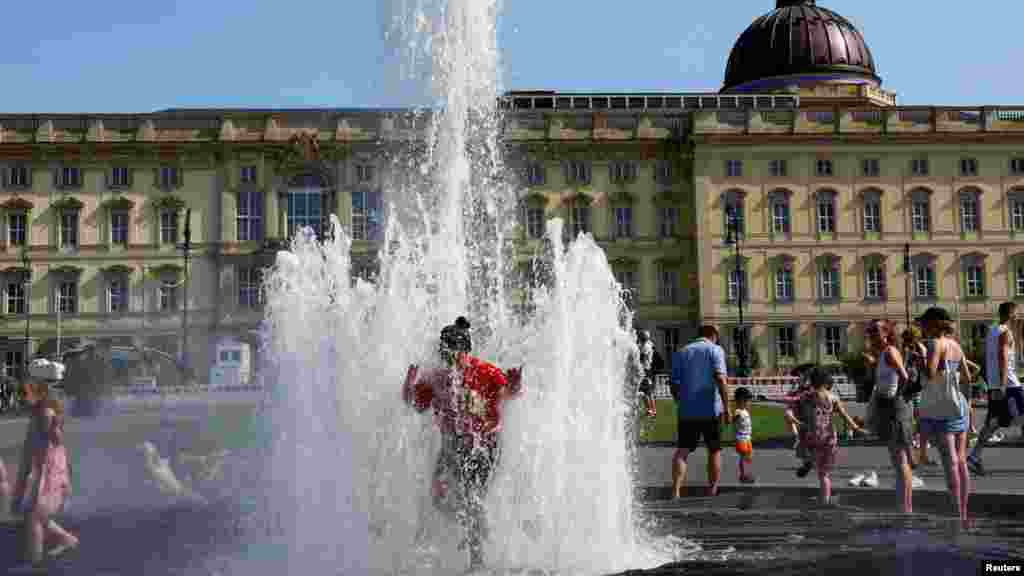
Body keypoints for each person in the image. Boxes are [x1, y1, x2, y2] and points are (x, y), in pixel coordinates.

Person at [402, 317, 523, 571]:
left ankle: (477, 561)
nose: (449, 361)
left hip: (484, 445)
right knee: (438, 498)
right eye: (445, 355)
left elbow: (508, 395)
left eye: (454, 355)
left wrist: (514, 386)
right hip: (451, 446)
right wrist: (409, 385)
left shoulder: (486, 372)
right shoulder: (436, 378)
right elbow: (415, 405)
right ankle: (475, 524)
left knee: (471, 496)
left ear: (467, 352)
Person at [10, 380, 79, 566]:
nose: (22, 397)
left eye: (25, 393)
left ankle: (36, 560)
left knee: (34, 515)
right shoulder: (39, 415)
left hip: (49, 474)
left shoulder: (44, 414)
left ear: (38, 394)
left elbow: (50, 447)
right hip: (45, 472)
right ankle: (65, 540)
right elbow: (34, 450)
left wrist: (30, 484)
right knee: (37, 514)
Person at [916, 307, 972, 527]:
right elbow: (967, 377)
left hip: (941, 408)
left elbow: (929, 375)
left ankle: (955, 512)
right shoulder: (956, 345)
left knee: (950, 461)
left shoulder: (934, 344)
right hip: (959, 405)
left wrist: (920, 361)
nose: (920, 327)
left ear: (932, 324)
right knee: (961, 460)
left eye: (923, 323)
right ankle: (964, 510)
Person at [670, 324, 731, 498]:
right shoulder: (715, 350)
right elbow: (721, 379)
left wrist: (680, 402)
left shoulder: (682, 352)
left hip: (687, 410)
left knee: (682, 451)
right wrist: (727, 407)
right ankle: (711, 491)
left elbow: (673, 383)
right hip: (711, 410)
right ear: (713, 334)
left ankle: (676, 491)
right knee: (714, 450)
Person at [862, 319, 917, 512]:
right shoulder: (882, 355)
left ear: (886, 333)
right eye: (870, 332)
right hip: (888, 408)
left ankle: (906, 508)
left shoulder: (891, 351)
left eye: (875, 331)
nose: (872, 335)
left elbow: (904, 377)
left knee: (900, 461)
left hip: (895, 409)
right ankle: (903, 506)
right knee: (897, 460)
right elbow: (879, 381)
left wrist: (897, 398)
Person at [969, 302, 1023, 476]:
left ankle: (974, 457)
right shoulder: (1006, 333)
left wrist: (993, 383)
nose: (1018, 316)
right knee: (1019, 418)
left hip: (996, 385)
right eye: (1016, 313)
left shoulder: (992, 331)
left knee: (992, 424)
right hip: (1008, 385)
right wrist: (1002, 384)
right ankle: (974, 457)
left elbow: (988, 358)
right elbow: (1002, 358)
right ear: (1010, 314)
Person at [798, 366, 864, 507]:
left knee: (807, 448)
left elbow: (800, 408)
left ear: (811, 381)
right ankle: (825, 499)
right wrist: (856, 427)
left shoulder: (807, 397)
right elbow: (844, 415)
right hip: (828, 437)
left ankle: (809, 460)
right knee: (824, 473)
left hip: (813, 436)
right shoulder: (833, 397)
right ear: (826, 381)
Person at [733, 387, 755, 484]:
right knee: (744, 456)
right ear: (741, 400)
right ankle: (743, 475)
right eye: (747, 401)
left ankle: (747, 473)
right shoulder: (738, 411)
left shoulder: (745, 411)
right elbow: (732, 419)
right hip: (741, 438)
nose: (748, 403)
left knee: (749, 457)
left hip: (747, 438)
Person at [637, 330, 657, 418]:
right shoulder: (649, 345)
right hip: (648, 369)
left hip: (644, 370)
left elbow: (642, 357)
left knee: (643, 391)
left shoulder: (645, 346)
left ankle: (649, 410)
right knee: (649, 392)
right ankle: (653, 410)